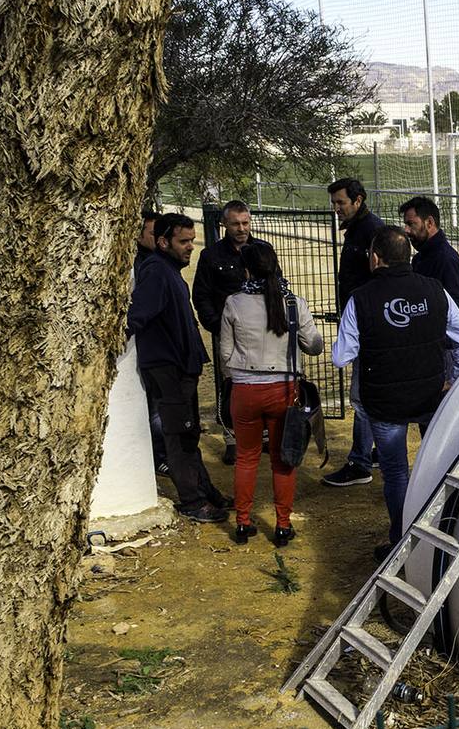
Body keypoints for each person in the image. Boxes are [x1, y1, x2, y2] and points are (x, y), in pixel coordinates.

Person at [331, 226, 459, 560]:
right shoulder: (434, 290)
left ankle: (400, 540)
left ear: (375, 258)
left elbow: (341, 357)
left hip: (385, 405)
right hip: (431, 396)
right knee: (438, 462)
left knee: (396, 473)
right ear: (407, 256)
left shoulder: (361, 299)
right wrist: (454, 380)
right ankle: (442, 532)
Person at [127, 213, 229, 523]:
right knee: (178, 437)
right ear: (163, 242)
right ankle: (193, 502)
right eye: (183, 241)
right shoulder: (157, 272)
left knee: (189, 433)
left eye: (192, 241)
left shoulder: (168, 270)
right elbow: (136, 316)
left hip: (182, 367)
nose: (190, 248)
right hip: (168, 369)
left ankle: (207, 492)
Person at [220, 243, 324, 547]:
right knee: (283, 459)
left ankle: (242, 523)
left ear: (247, 269)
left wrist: (237, 379)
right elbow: (315, 346)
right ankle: (281, 525)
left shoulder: (234, 303)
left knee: (246, 457)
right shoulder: (293, 303)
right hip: (283, 390)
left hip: (245, 389)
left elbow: (226, 355)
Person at [194, 200, 272, 465]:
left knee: (263, 380)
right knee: (229, 385)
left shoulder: (263, 249)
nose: (241, 229)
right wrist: (216, 326)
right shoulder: (211, 256)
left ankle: (263, 435)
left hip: (261, 333)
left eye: (245, 223)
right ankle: (231, 438)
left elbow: (276, 283)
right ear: (224, 225)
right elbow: (201, 295)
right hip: (227, 333)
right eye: (236, 224)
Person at [322, 177, 385, 489]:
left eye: (341, 203)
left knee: (361, 396)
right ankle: (373, 451)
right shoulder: (357, 231)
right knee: (367, 392)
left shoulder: (372, 231)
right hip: (359, 322)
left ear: (358, 201)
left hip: (367, 328)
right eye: (334, 203)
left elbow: (380, 280)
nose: (336, 209)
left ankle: (360, 461)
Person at [134, 210, 168, 477]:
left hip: (167, 352)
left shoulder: (160, 263)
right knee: (156, 410)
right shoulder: (145, 267)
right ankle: (160, 457)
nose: (157, 239)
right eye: (152, 234)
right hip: (155, 351)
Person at [399, 196, 459, 312]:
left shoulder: (446, 260)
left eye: (411, 224)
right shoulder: (420, 258)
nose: (406, 230)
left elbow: (455, 310)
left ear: (429, 222)